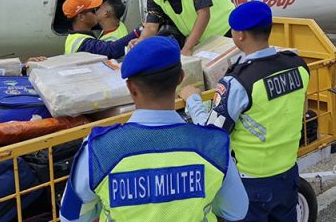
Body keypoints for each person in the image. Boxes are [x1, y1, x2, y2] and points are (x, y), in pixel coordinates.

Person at [59, 36, 248, 222]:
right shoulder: (214, 145)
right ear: (180, 78)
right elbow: (236, 210)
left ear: (131, 88)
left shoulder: (98, 150)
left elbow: (71, 216)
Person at [179, 1, 308, 221]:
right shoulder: (297, 65)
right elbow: (301, 108)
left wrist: (192, 99)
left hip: (252, 184)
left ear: (239, 35)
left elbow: (212, 136)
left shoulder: (238, 82)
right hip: (287, 173)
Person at [62, 0, 138, 57]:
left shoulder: (73, 37)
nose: (96, 13)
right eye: (92, 11)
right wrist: (138, 31)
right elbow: (111, 49)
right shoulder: (83, 43)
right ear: (81, 17)